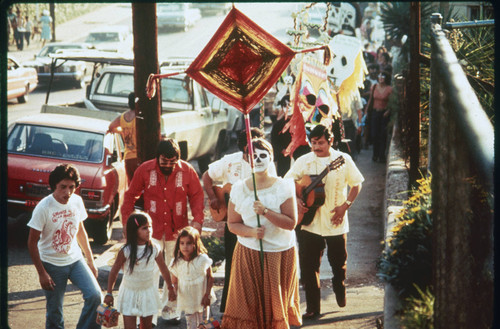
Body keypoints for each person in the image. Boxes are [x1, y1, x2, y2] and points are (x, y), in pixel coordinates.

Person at [121, 138, 204, 324]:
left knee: (174, 270)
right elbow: (130, 196)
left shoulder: (187, 170)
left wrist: (197, 221)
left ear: (178, 159)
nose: (168, 165)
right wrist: (129, 225)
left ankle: (170, 310)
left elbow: (197, 195)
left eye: (172, 162)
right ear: (157, 157)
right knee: (149, 269)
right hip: (151, 231)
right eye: (164, 161)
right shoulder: (145, 169)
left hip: (177, 231)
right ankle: (146, 311)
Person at [285, 124, 364, 320]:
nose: (316, 147)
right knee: (309, 266)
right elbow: (286, 182)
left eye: (321, 143)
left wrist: (345, 206)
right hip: (309, 222)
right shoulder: (304, 161)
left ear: (330, 141)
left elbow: (357, 183)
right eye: (313, 143)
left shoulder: (342, 160)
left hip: (335, 219)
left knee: (339, 263)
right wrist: (297, 199)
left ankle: (340, 285)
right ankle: (313, 308)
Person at [222, 138, 302, 329]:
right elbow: (232, 224)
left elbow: (291, 223)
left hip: (278, 253)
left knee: (272, 308)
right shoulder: (239, 188)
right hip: (248, 253)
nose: (257, 159)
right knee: (249, 308)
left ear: (271, 157)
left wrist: (266, 212)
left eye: (262, 155)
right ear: (247, 159)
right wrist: (250, 231)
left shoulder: (283, 186)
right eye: (253, 156)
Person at [201, 127, 276, 313]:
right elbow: (206, 176)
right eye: (248, 151)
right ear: (241, 147)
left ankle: (255, 307)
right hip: (233, 222)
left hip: (256, 221)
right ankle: (228, 305)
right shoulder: (229, 161)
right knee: (233, 262)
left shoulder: (267, 163)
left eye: (259, 150)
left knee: (256, 263)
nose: (253, 155)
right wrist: (213, 197)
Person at [27, 164, 102, 329]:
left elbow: (80, 230)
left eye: (72, 187)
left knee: (95, 295)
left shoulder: (77, 201)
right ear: (54, 185)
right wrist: (42, 273)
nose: (68, 192)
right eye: (63, 187)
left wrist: (90, 260)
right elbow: (32, 242)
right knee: (55, 313)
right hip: (52, 264)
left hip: (75, 260)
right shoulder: (43, 207)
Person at [104, 211, 175, 329]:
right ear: (134, 231)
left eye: (150, 226)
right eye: (144, 228)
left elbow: (164, 269)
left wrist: (170, 287)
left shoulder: (154, 249)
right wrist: (109, 293)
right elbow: (114, 271)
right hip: (129, 293)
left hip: (147, 292)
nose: (149, 230)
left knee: (146, 326)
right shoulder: (126, 250)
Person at [167, 226, 216, 329]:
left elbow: (210, 277)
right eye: (182, 243)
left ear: (195, 244)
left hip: (203, 298)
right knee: (191, 325)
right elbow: (174, 282)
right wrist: (173, 293)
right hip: (187, 300)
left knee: (205, 324)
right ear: (178, 245)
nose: (185, 246)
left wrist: (207, 295)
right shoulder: (177, 262)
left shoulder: (202, 259)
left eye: (189, 243)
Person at [108, 92, 138, 183]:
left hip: (128, 156)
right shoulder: (139, 116)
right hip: (138, 156)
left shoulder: (123, 116)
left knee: (131, 184)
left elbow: (111, 127)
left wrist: (122, 131)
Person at [367, 71, 393, 162]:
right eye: (380, 76)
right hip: (375, 113)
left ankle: (382, 156)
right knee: (374, 134)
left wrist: (388, 111)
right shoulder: (374, 87)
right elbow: (371, 99)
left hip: (384, 114)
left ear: (386, 78)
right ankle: (375, 154)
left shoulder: (389, 89)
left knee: (383, 135)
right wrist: (367, 111)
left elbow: (392, 102)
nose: (381, 77)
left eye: (383, 76)